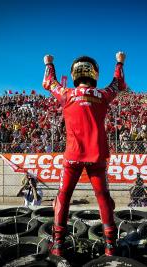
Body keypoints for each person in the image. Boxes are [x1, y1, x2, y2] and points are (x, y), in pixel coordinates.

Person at [42, 51, 126, 256]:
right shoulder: (103, 95)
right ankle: (110, 246)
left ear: (74, 74)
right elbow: (118, 83)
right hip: (97, 157)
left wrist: (49, 64)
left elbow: (48, 82)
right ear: (94, 74)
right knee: (103, 197)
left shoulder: (66, 94)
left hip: (72, 157)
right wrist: (119, 62)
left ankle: (58, 245)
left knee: (63, 197)